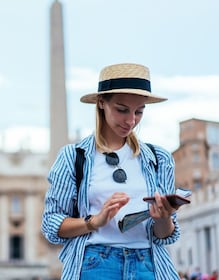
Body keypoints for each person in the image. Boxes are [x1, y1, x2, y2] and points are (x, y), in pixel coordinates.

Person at [41, 63, 181, 280]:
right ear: (101, 103)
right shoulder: (73, 156)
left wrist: (163, 217)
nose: (131, 120)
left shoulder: (159, 159)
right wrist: (94, 221)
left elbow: (165, 235)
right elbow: (51, 225)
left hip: (149, 266)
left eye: (139, 111)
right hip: (95, 264)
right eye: (122, 110)